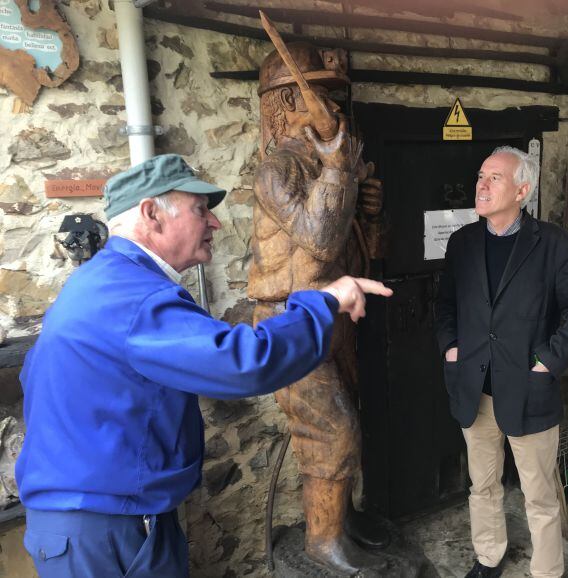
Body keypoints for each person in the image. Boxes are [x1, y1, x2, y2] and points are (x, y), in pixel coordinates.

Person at [15, 153, 392, 578]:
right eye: (200, 210)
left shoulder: (101, 280)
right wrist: (324, 301)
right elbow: (245, 363)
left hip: (94, 516)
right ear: (151, 214)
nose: (215, 223)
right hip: (103, 528)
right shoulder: (131, 295)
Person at [248, 42, 387, 574]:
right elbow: (320, 241)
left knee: (345, 427)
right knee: (332, 432)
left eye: (336, 98)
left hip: (335, 316)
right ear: (285, 103)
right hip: (289, 320)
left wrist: (370, 213)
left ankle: (339, 524)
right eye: (319, 97)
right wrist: (338, 174)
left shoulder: (333, 166)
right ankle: (320, 543)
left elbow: (361, 250)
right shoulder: (277, 171)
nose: (334, 111)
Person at [435, 146, 568, 578]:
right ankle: (489, 556)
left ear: (522, 190)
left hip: (529, 388)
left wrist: (547, 361)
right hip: (474, 386)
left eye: (495, 178)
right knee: (483, 485)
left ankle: (547, 571)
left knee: (540, 494)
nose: (482, 185)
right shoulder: (463, 242)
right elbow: (446, 305)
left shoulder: (553, 244)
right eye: (481, 176)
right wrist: (451, 347)